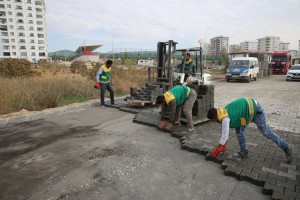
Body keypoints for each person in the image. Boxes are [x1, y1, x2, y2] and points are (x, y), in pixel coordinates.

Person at [207, 97, 293, 163]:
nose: (214, 122)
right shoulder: (221, 111)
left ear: (215, 117)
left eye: (213, 120)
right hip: (245, 113)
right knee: (239, 132)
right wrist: (223, 146)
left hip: (255, 110)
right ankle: (244, 152)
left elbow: (224, 136)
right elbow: (225, 135)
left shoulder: (225, 118)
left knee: (266, 132)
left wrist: (216, 151)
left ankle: (286, 147)